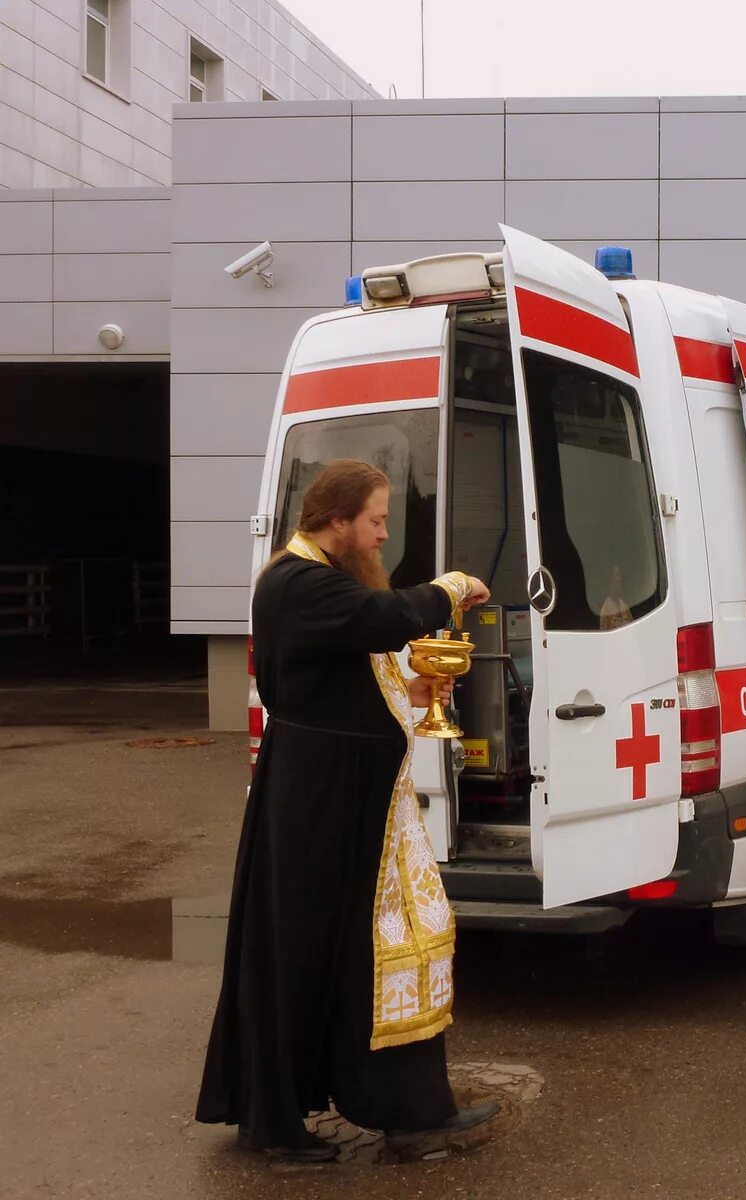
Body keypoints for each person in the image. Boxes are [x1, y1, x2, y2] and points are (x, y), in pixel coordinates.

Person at [196, 459, 495, 1161]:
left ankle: (384, 1104)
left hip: (337, 795)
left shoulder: (317, 580)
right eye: (376, 521)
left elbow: (350, 669)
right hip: (316, 800)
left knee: (334, 954)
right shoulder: (298, 582)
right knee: (297, 953)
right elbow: (385, 618)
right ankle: (275, 1122)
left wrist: (416, 693)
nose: (382, 534)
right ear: (337, 521)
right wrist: (450, 587)